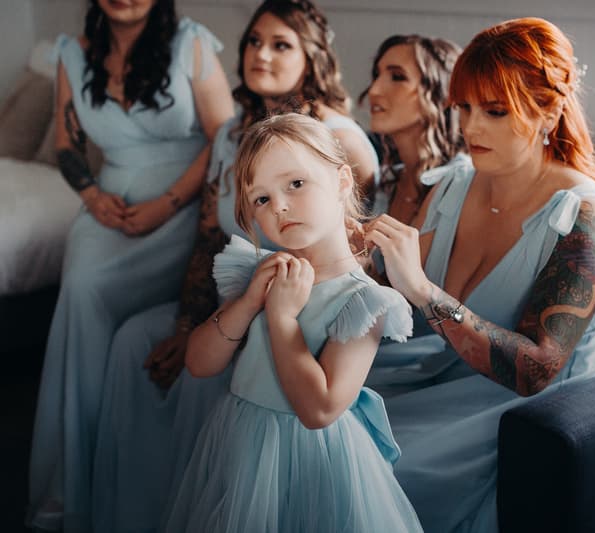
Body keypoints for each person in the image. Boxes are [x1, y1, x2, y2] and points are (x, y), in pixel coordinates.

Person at [91, 1, 381, 531]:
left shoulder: (335, 135)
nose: (260, 54)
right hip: (242, 312)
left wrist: (282, 309)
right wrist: (197, 322)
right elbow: (208, 239)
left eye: (280, 44)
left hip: (310, 309)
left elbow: (358, 234)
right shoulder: (230, 136)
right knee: (139, 342)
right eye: (252, 41)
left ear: (312, 57)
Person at [363, 17, 595, 532]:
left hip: (540, 408)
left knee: (374, 465)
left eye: (495, 111)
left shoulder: (584, 216)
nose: (471, 128)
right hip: (444, 372)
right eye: (464, 107)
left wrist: (422, 289)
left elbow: (537, 369)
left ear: (549, 110)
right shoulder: (457, 181)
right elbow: (389, 276)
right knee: (304, 415)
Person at [160, 112, 422, 532]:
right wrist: (248, 303)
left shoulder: (364, 299)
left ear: (340, 182)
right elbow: (199, 364)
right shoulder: (259, 273)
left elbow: (320, 409)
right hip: (240, 441)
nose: (278, 205)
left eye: (295, 184)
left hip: (312, 460)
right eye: (260, 199)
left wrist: (282, 319)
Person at [27, 0, 234, 530]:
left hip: (183, 208)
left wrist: (168, 204)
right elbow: (67, 143)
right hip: (109, 206)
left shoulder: (191, 43)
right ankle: (75, 481)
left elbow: (225, 139)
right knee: (81, 288)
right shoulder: (73, 54)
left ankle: (135, 475)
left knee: (129, 322)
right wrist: (93, 197)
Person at [360, 34, 464, 224]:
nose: (374, 90)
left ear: (443, 95)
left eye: (397, 77)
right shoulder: (386, 183)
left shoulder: (462, 181)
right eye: (377, 75)